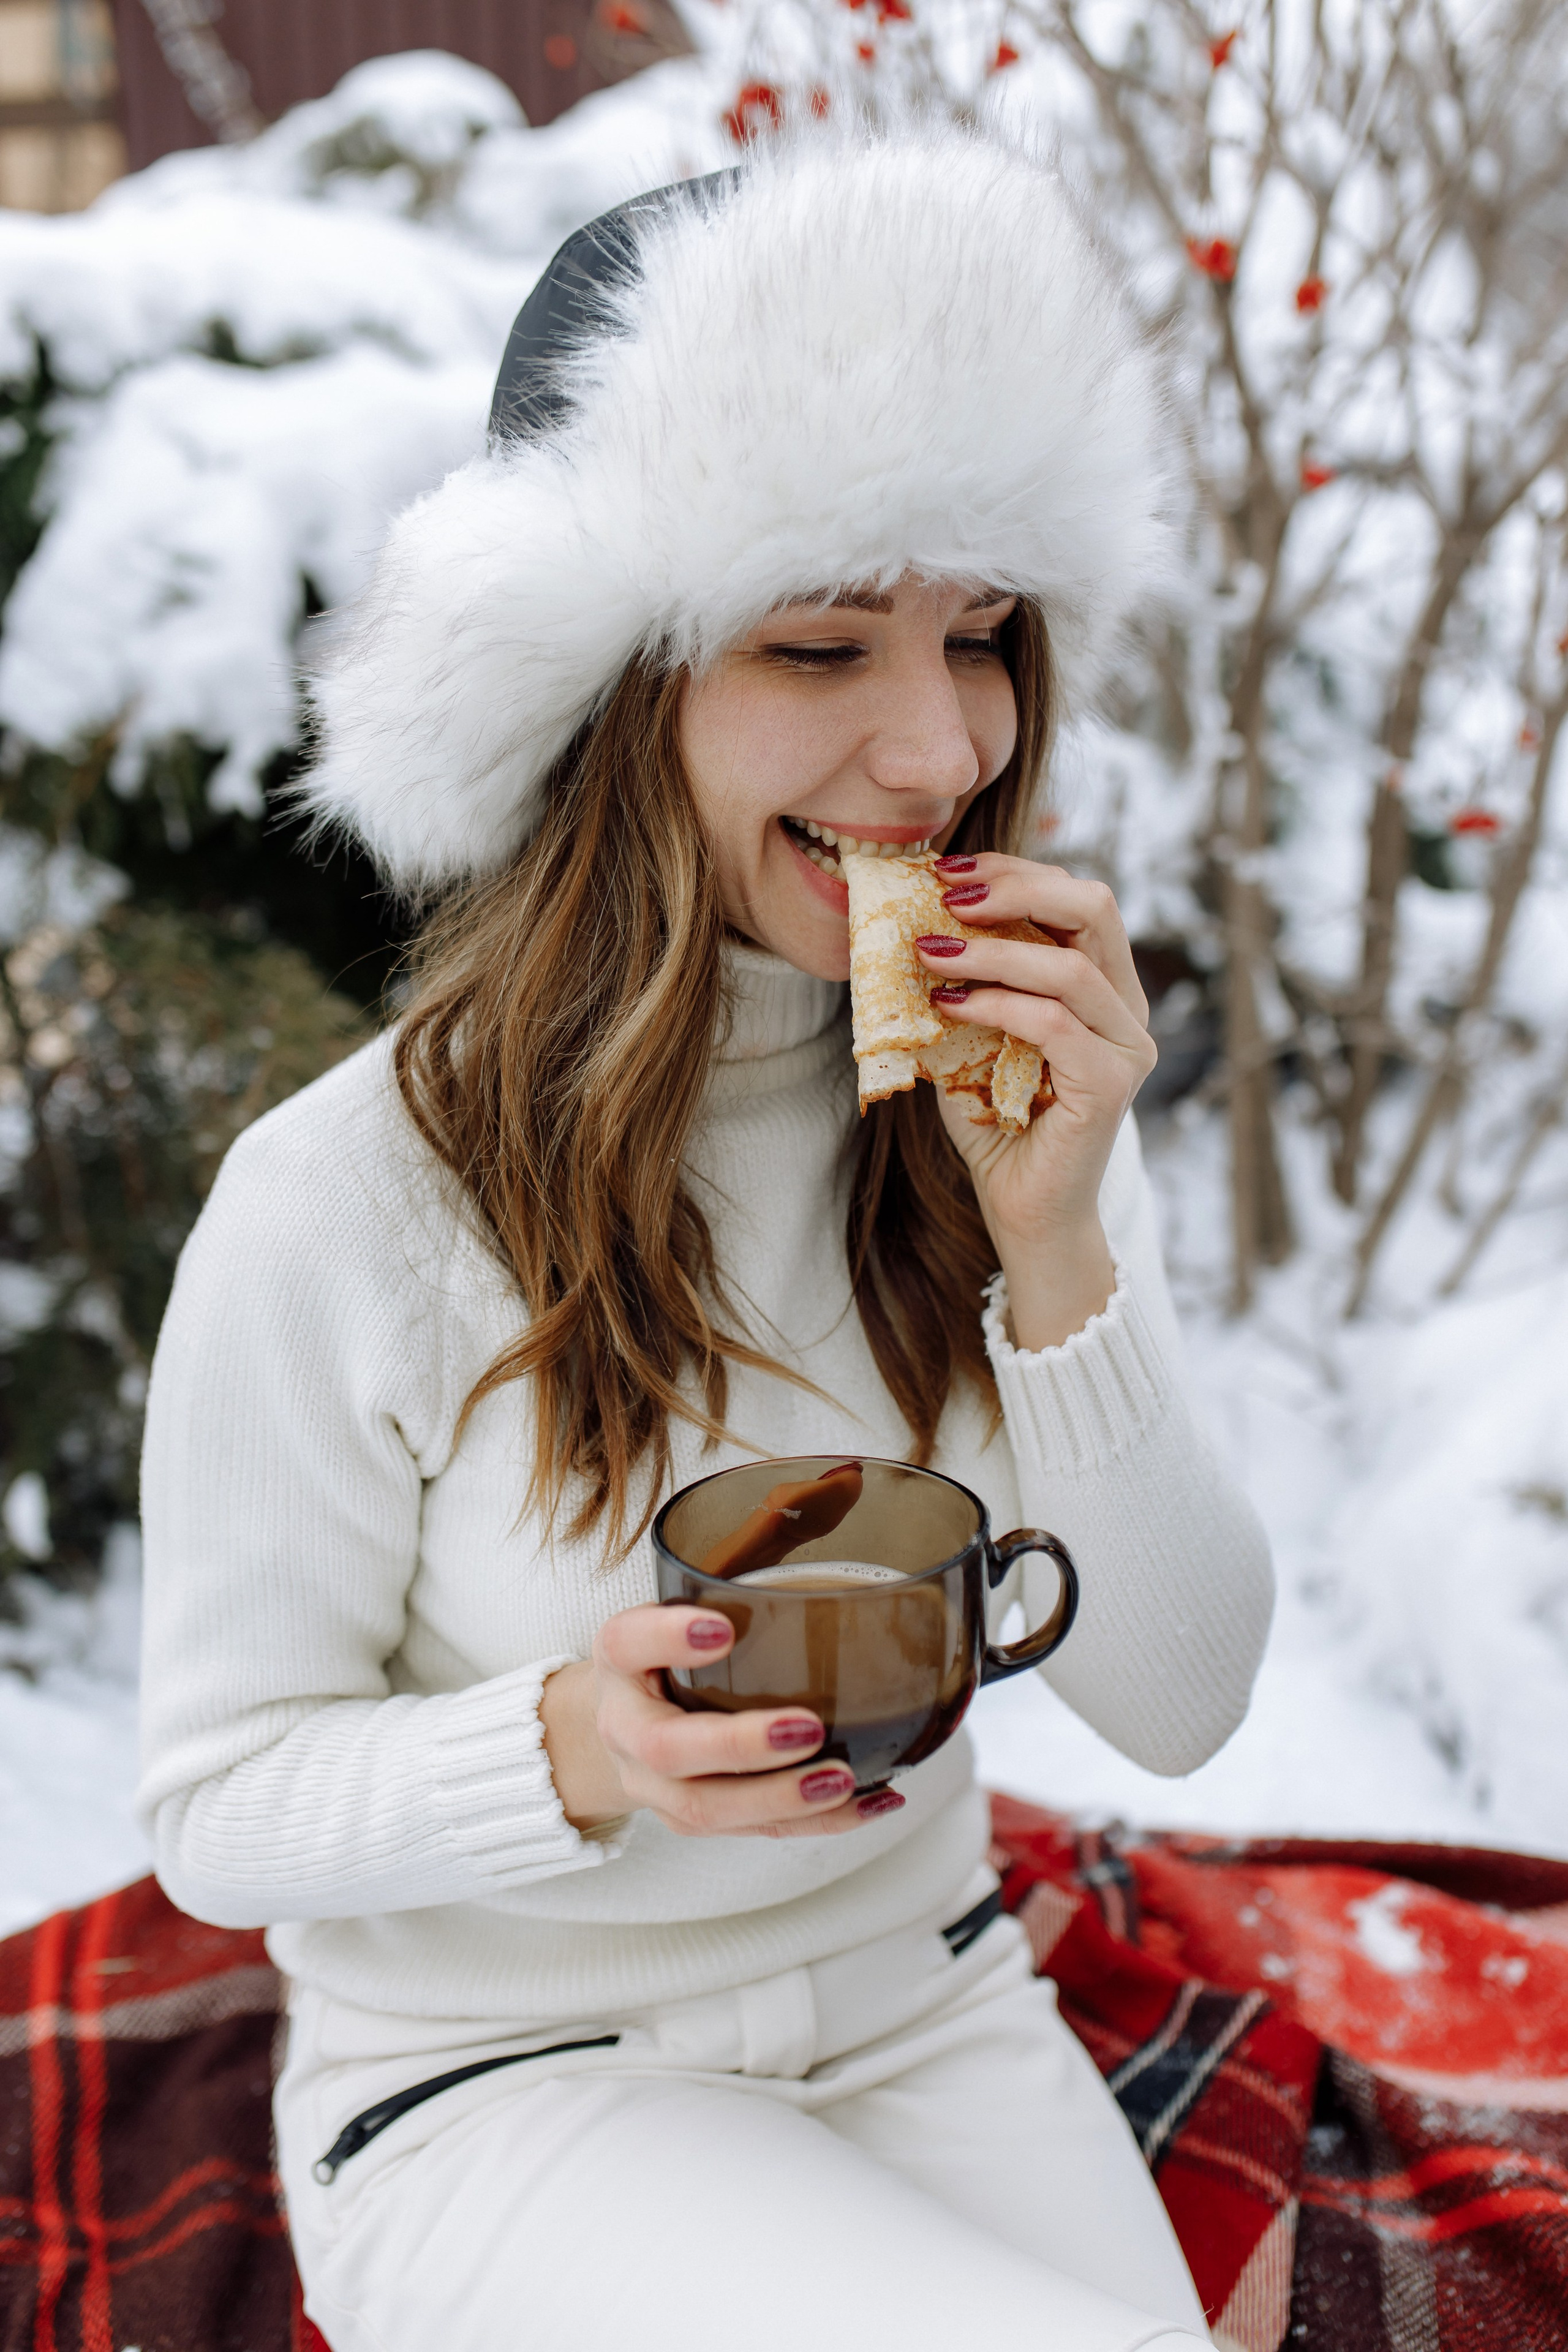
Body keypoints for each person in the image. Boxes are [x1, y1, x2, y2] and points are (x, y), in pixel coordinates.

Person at [137, 128, 1272, 2352]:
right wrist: (563, 1749)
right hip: (510, 2086)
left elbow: (1186, 1698)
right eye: (820, 640)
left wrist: (1055, 1239)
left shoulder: (1001, 1100)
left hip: (930, 2011)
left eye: (978, 636)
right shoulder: (346, 1196)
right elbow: (213, 1809)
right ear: (603, 690)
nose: (941, 744)